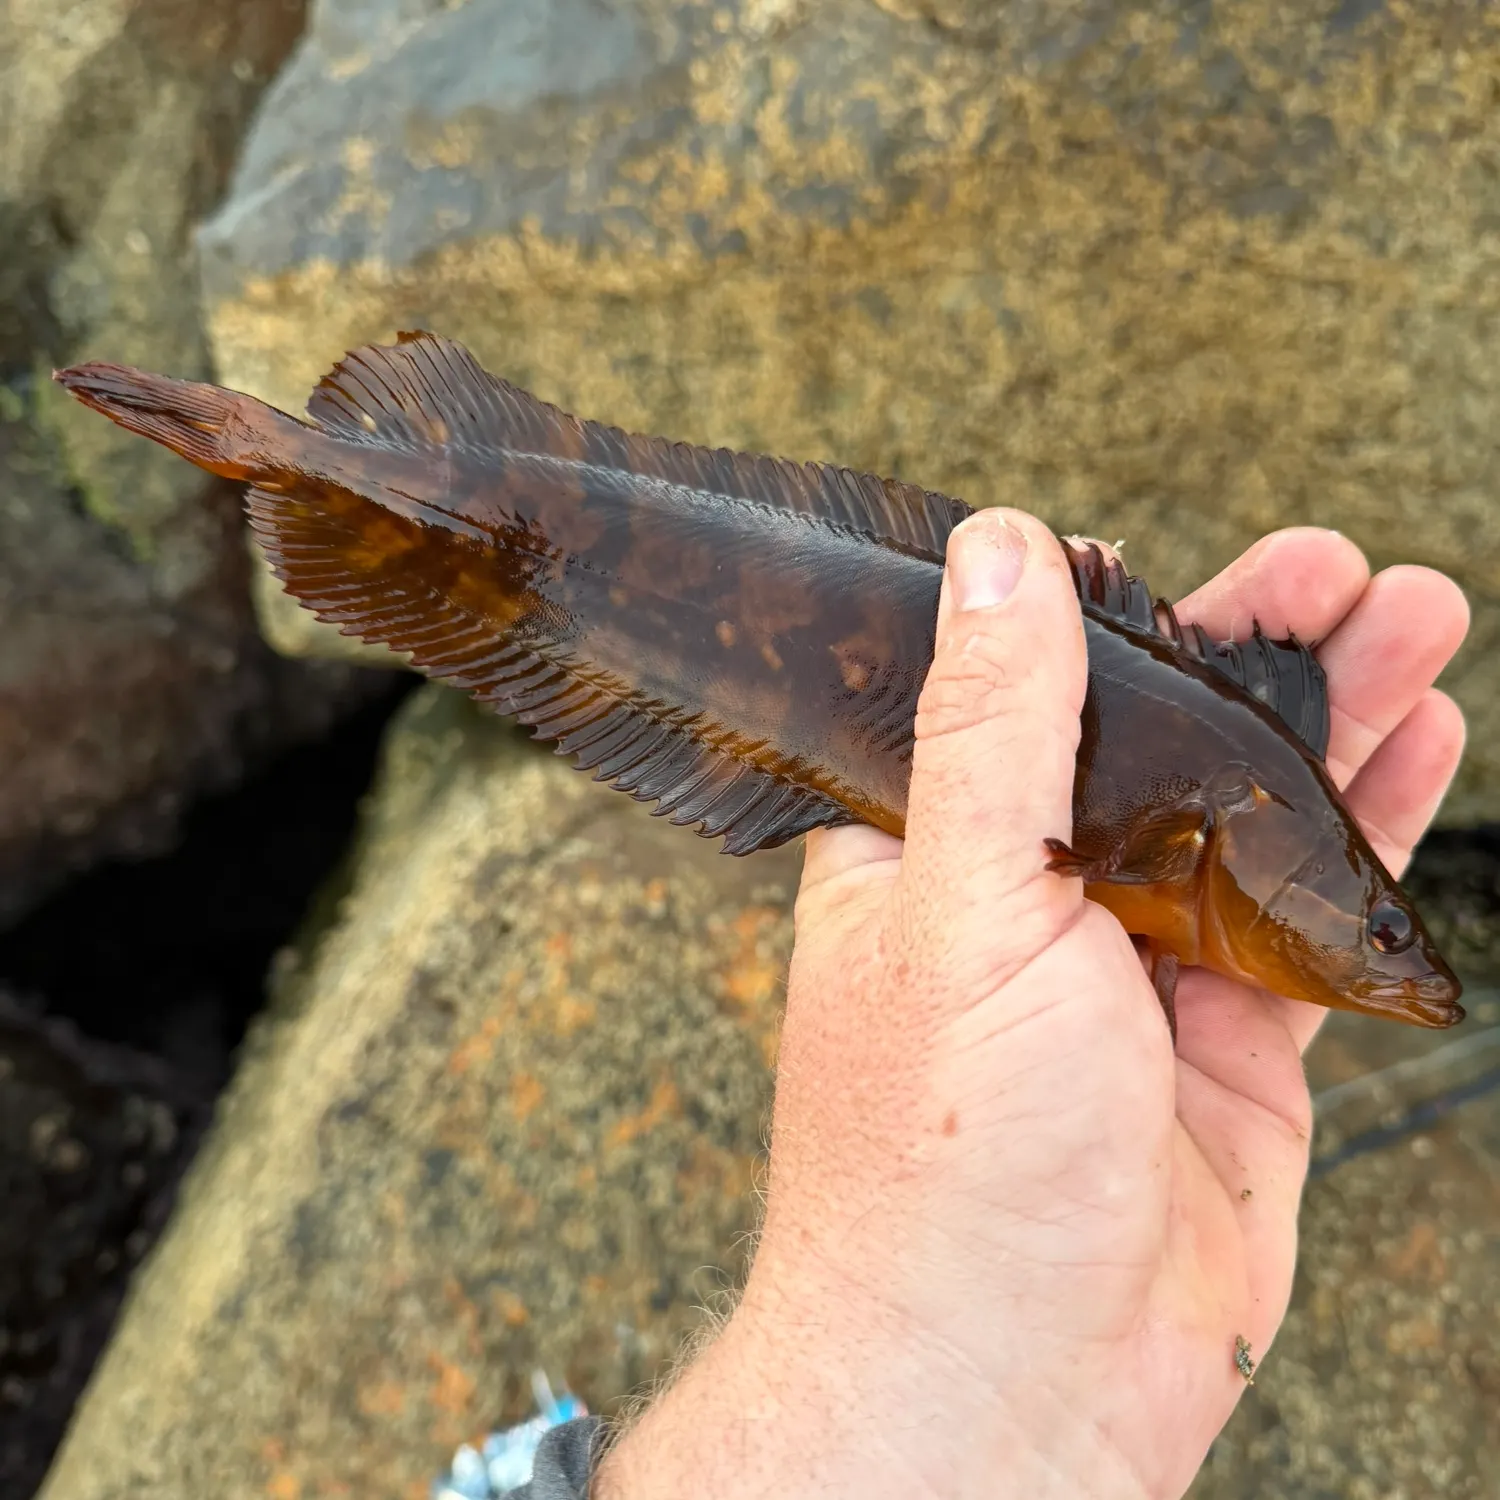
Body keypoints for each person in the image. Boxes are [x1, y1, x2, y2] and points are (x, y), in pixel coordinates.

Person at [513, 513, 1471, 1500]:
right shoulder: (1212, 846)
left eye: (1386, 933)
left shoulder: (1223, 868)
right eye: (1384, 932)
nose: (1393, 960)